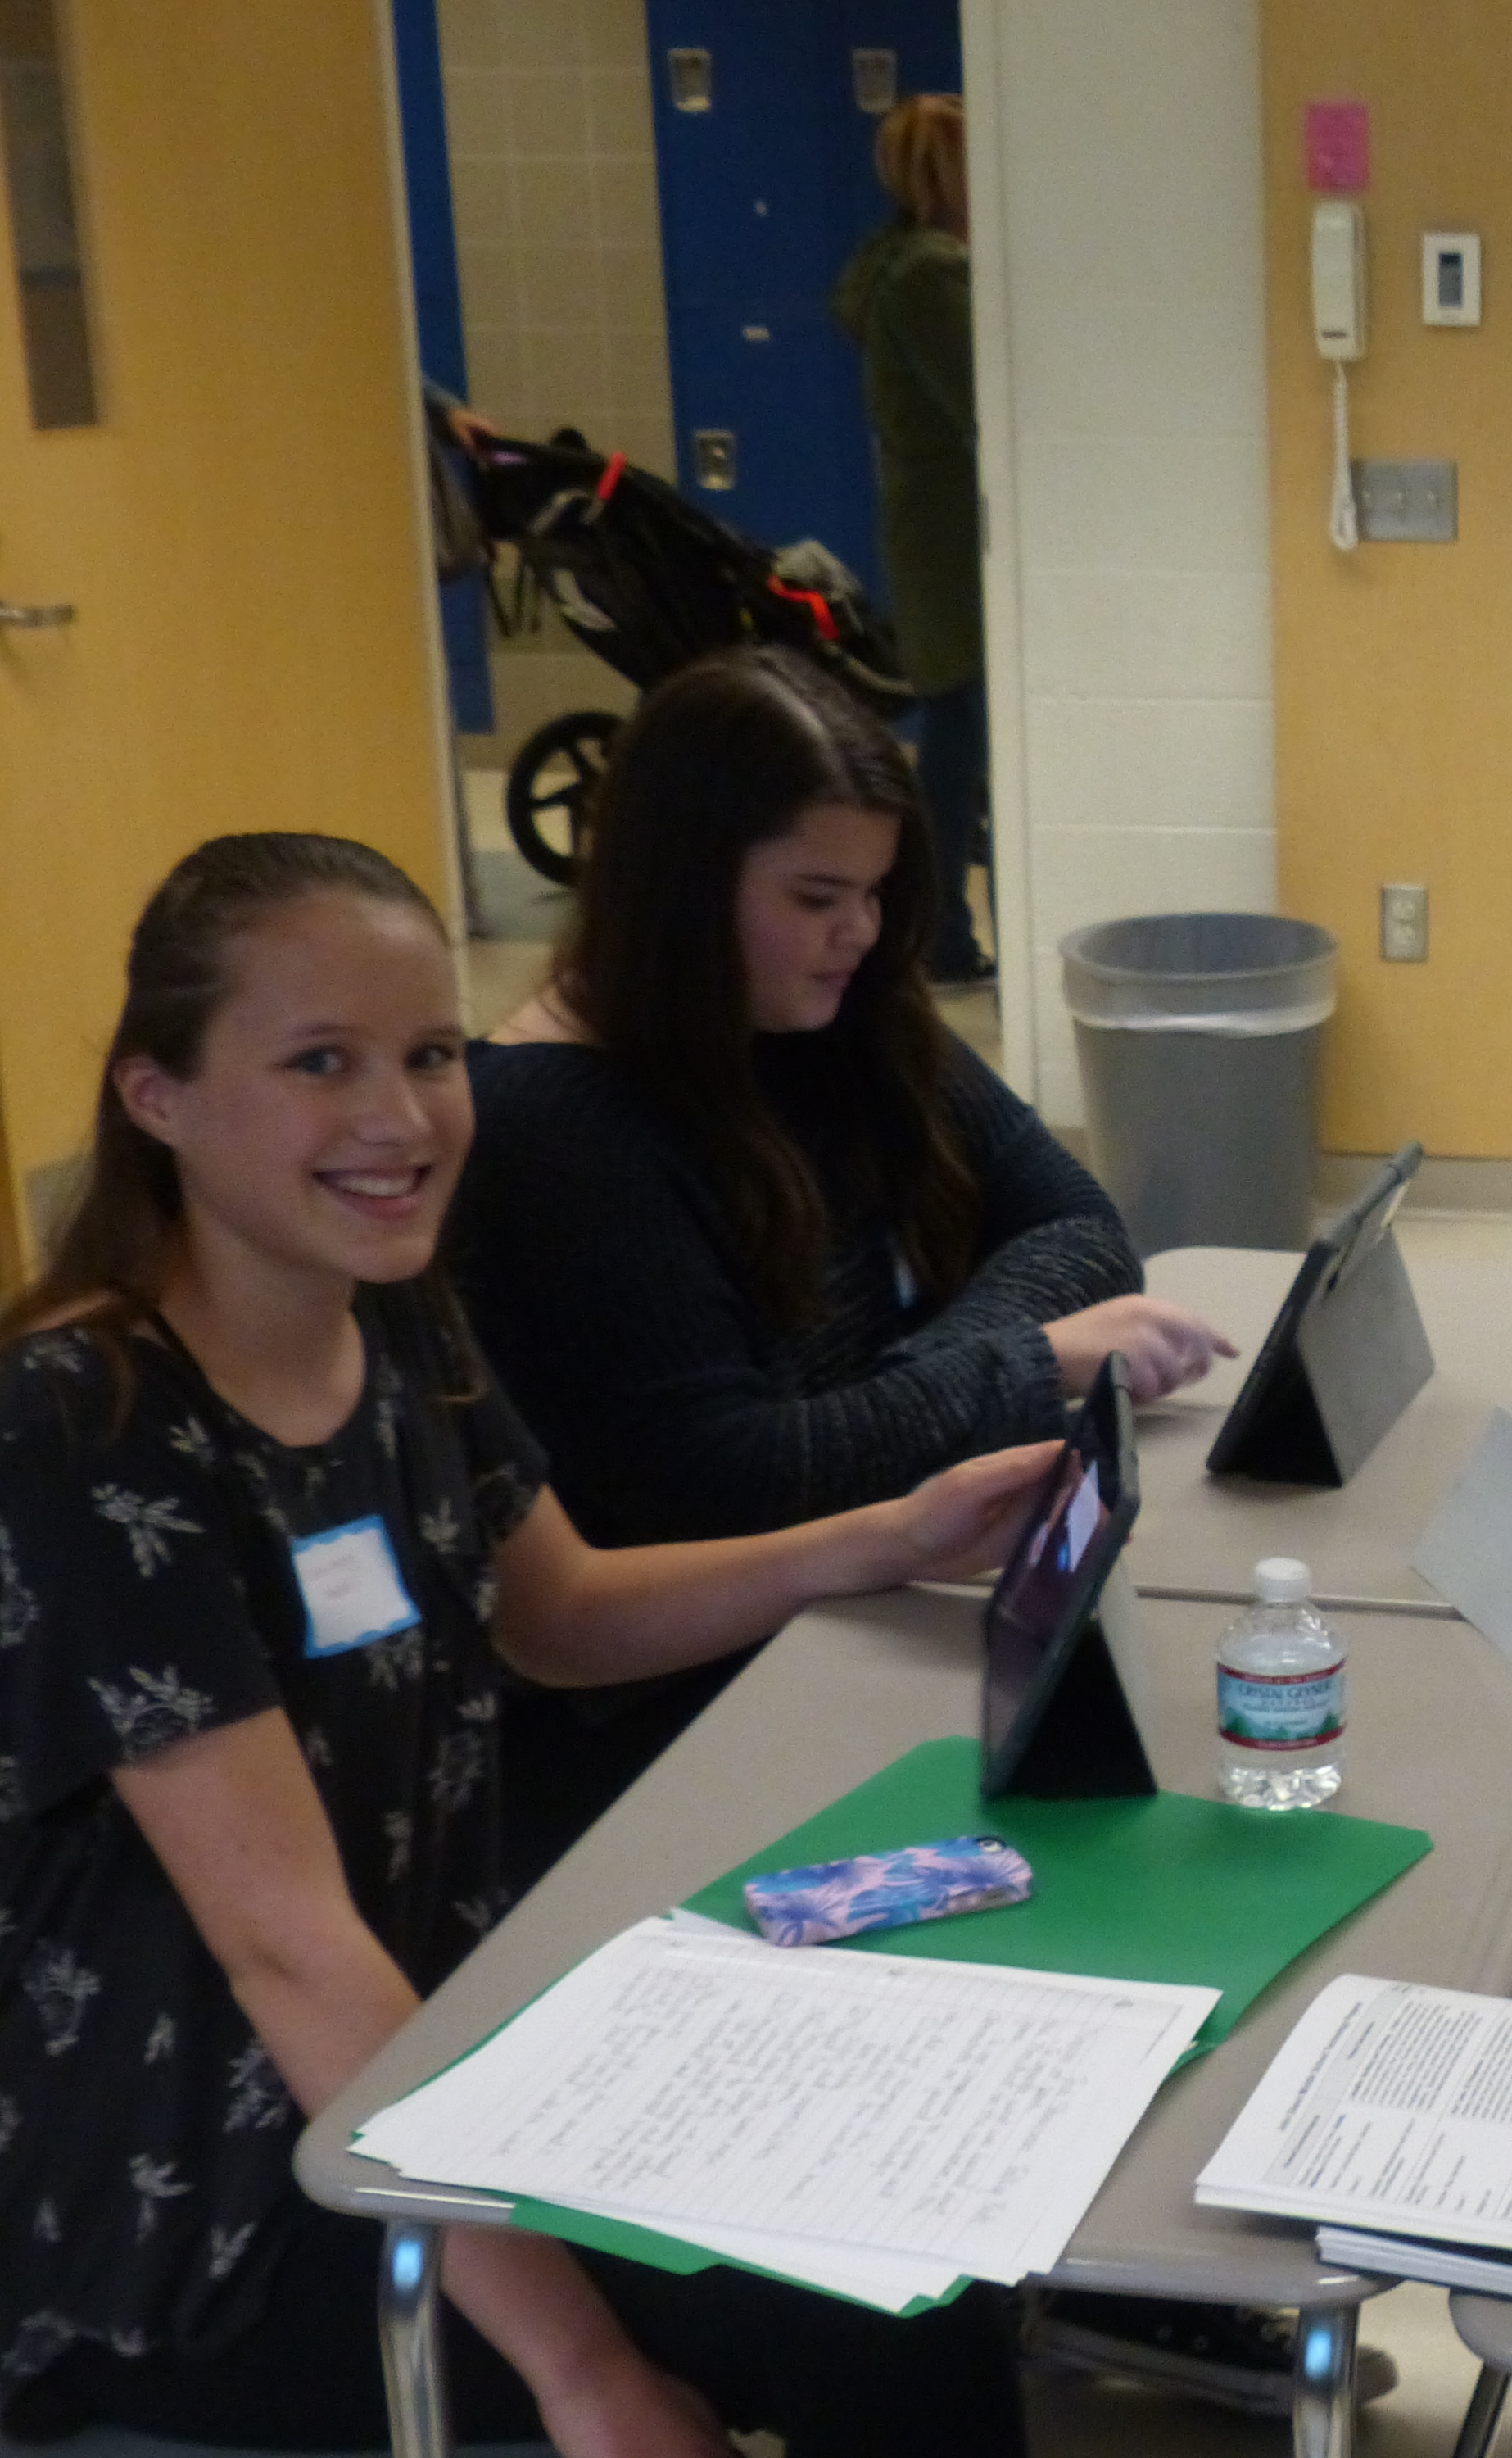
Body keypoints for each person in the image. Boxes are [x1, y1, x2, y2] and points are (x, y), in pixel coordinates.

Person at [0, 832, 1048, 2451]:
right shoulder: (89, 1418)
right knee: (872, 2299)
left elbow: (556, 1617)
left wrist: (890, 1538)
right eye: (320, 1063)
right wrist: (583, 2368)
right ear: (158, 1096)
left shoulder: (387, 1302)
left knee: (910, 2212)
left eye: (430, 1055)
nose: (399, 1119)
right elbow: (288, 1947)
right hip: (214, 2189)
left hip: (444, 2044)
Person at [455, 647, 1225, 1872]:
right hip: (680, 1714)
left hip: (860, 1592)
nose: (858, 933)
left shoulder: (834, 1015)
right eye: (816, 896)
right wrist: (1024, 1363)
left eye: (873, 892)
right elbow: (738, 1485)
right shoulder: (552, 1132)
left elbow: (1081, 1231)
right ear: (680, 887)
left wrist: (901, 1400)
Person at [835, 91, 990, 982]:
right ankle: (937, 933)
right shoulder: (927, 276)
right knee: (962, 735)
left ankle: (939, 930)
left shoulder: (903, 265)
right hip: (954, 535)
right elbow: (982, 407)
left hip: (937, 528)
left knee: (960, 731)